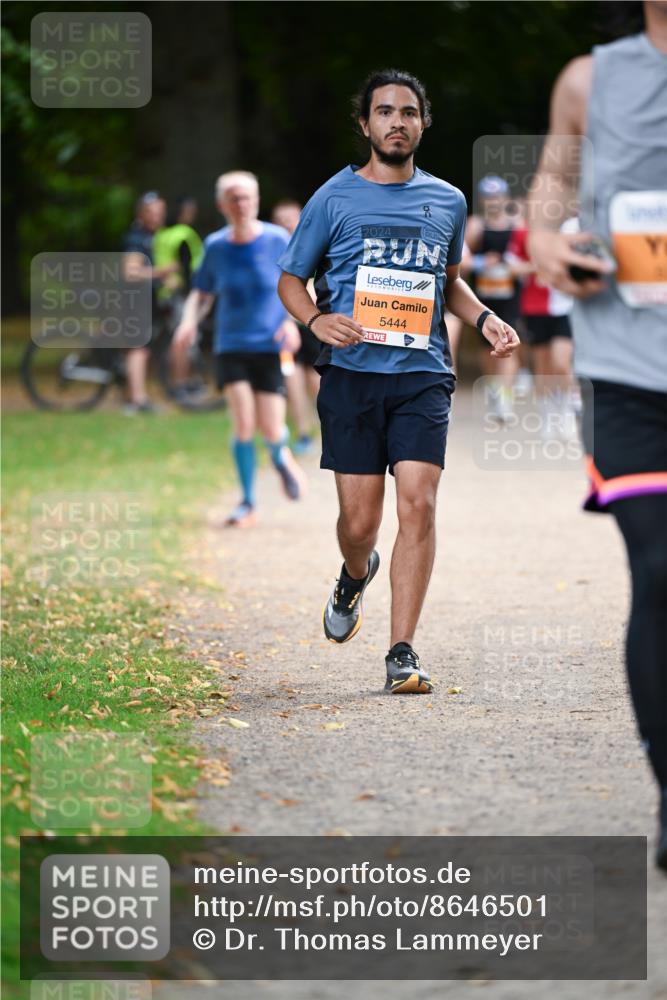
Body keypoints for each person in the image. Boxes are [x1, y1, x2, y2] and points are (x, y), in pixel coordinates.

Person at [278, 69, 519, 694]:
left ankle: (402, 651)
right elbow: (290, 280)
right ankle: (354, 573)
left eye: (408, 112)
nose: (396, 122)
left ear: (422, 122)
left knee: (419, 503)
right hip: (351, 378)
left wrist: (488, 319)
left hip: (422, 376)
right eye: (384, 112)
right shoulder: (332, 198)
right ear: (366, 125)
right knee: (359, 525)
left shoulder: (448, 200)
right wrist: (316, 318)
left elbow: (450, 281)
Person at [527, 0, 667, 868]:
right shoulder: (589, 79)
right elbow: (553, 186)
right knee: (659, 567)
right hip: (627, 368)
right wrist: (544, 243)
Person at [174, 171, 306, 526]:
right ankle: (248, 503)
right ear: (222, 205)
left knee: (272, 427)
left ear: (257, 201)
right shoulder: (215, 247)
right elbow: (201, 294)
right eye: (234, 197)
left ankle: (280, 456)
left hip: (270, 345)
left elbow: (298, 287)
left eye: (247, 197)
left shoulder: (279, 239)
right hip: (230, 345)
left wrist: (291, 323)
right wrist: (188, 322)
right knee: (244, 424)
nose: (241, 204)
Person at [506, 218, 577, 439]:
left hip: (566, 307)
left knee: (562, 363)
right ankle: (548, 417)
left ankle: (566, 413)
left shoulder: (571, 228)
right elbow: (512, 267)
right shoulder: (523, 232)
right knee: (543, 366)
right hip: (535, 308)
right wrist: (538, 266)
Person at [466, 175, 521, 420]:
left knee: (511, 346)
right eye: (489, 197)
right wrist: (480, 262)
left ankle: (505, 400)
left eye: (497, 196)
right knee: (486, 348)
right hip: (484, 297)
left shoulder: (516, 225)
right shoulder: (476, 225)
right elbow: (460, 260)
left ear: (505, 198)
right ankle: (493, 388)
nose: (494, 202)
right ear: (482, 200)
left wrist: (515, 264)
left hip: (510, 296)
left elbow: (529, 255)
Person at [271, 199, 321, 455]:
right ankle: (303, 433)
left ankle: (331, 429)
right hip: (283, 327)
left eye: (291, 218)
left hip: (312, 325)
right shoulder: (272, 250)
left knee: (317, 379)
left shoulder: (315, 245)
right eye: (280, 219)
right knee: (292, 379)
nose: (286, 223)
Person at [122, 191, 177, 414]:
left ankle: (132, 395)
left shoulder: (155, 236)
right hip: (134, 301)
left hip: (146, 301)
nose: (156, 217)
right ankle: (137, 400)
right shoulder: (136, 238)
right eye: (151, 213)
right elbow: (131, 273)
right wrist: (161, 273)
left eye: (160, 213)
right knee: (139, 350)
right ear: (140, 214)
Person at [155, 196, 206, 396]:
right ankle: (180, 384)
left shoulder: (162, 234)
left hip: (165, 292)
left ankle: (178, 382)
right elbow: (187, 267)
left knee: (177, 338)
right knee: (184, 338)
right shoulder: (184, 234)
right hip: (182, 294)